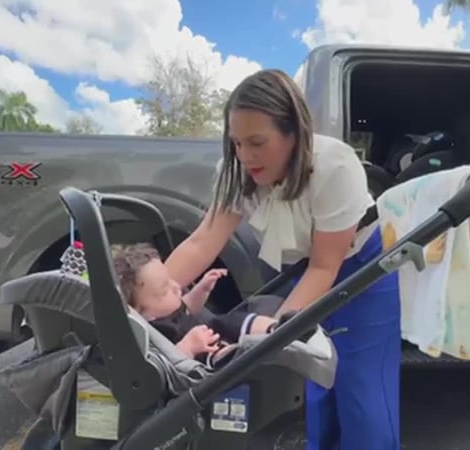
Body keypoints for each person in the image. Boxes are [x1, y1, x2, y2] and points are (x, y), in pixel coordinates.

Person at [163, 68, 401, 449]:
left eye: (257, 142)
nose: (245, 155)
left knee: (361, 387)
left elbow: (326, 265)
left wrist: (272, 337)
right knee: (316, 378)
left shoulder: (334, 167)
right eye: (236, 143)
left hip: (362, 270)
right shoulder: (235, 170)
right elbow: (202, 242)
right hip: (307, 269)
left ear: (294, 133)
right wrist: (147, 297)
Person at [110, 242, 313, 369]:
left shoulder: (170, 308)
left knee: (232, 320)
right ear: (141, 313)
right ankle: (239, 353)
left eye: (170, 280)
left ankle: (277, 329)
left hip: (212, 332)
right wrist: (188, 347)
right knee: (213, 351)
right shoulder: (152, 334)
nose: (175, 287)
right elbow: (165, 366)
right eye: (164, 291)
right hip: (202, 362)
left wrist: (202, 289)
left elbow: (190, 306)